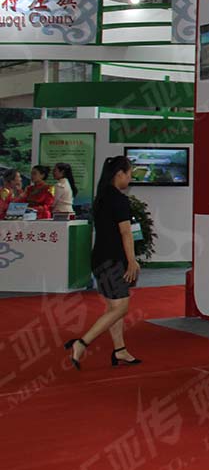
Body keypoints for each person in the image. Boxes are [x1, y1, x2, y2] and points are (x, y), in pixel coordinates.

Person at [63, 156, 142, 370]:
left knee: (113, 307)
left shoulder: (101, 197)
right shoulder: (119, 199)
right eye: (129, 173)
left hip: (99, 257)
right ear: (120, 174)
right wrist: (132, 261)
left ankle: (120, 350)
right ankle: (81, 343)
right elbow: (126, 232)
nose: (130, 177)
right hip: (113, 260)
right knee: (121, 307)